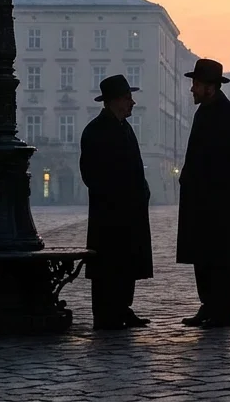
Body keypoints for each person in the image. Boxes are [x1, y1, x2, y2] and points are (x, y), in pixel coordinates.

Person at [176, 58, 230, 329]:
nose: (192, 89)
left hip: (218, 200)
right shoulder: (202, 113)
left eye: (195, 84)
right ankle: (207, 306)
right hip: (199, 198)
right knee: (201, 256)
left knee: (219, 258)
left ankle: (221, 312)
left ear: (210, 87)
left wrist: (209, 176)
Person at [79, 74, 153, 330]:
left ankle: (122, 308)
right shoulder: (96, 131)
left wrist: (142, 192)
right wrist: (115, 195)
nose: (132, 102)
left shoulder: (124, 127)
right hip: (109, 213)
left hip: (130, 209)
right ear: (114, 101)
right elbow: (91, 174)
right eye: (128, 97)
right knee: (108, 264)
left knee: (127, 262)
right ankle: (106, 313)